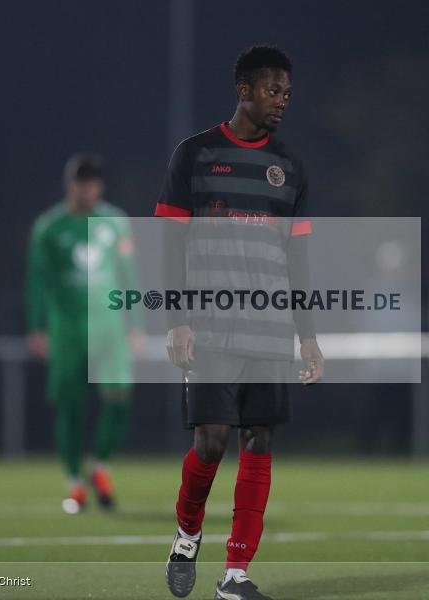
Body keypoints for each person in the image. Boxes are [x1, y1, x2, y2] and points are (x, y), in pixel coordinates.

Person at [157, 46, 323, 600]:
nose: (282, 102)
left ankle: (235, 576)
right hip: (208, 325)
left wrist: (309, 337)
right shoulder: (195, 154)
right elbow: (169, 243)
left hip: (270, 328)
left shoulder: (291, 168)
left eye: (289, 94)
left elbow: (297, 260)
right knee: (211, 441)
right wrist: (177, 320)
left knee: (260, 438)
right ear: (244, 90)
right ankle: (186, 534)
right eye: (273, 91)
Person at [26, 154, 144, 513]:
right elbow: (36, 281)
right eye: (80, 183)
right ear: (69, 185)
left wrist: (136, 324)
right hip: (68, 329)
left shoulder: (116, 222)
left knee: (119, 397)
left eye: (92, 183)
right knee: (71, 406)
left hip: (109, 327)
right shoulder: (50, 226)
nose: (87, 189)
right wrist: (36, 326)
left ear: (100, 186)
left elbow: (129, 275)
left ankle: (101, 467)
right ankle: (75, 483)